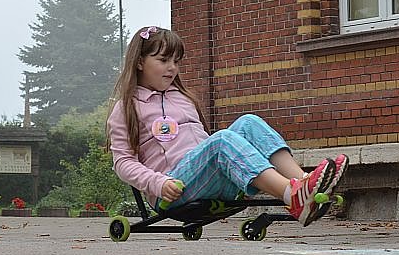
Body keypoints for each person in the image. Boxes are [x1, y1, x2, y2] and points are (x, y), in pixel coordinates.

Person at [106, 26, 348, 226]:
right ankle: (291, 195)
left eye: (176, 61)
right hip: (173, 188)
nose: (172, 68)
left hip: (207, 178)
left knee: (248, 122)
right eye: (163, 60)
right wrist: (157, 183)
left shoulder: (182, 97)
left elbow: (200, 145)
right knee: (221, 140)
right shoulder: (128, 108)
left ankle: (305, 183)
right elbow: (123, 162)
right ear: (139, 62)